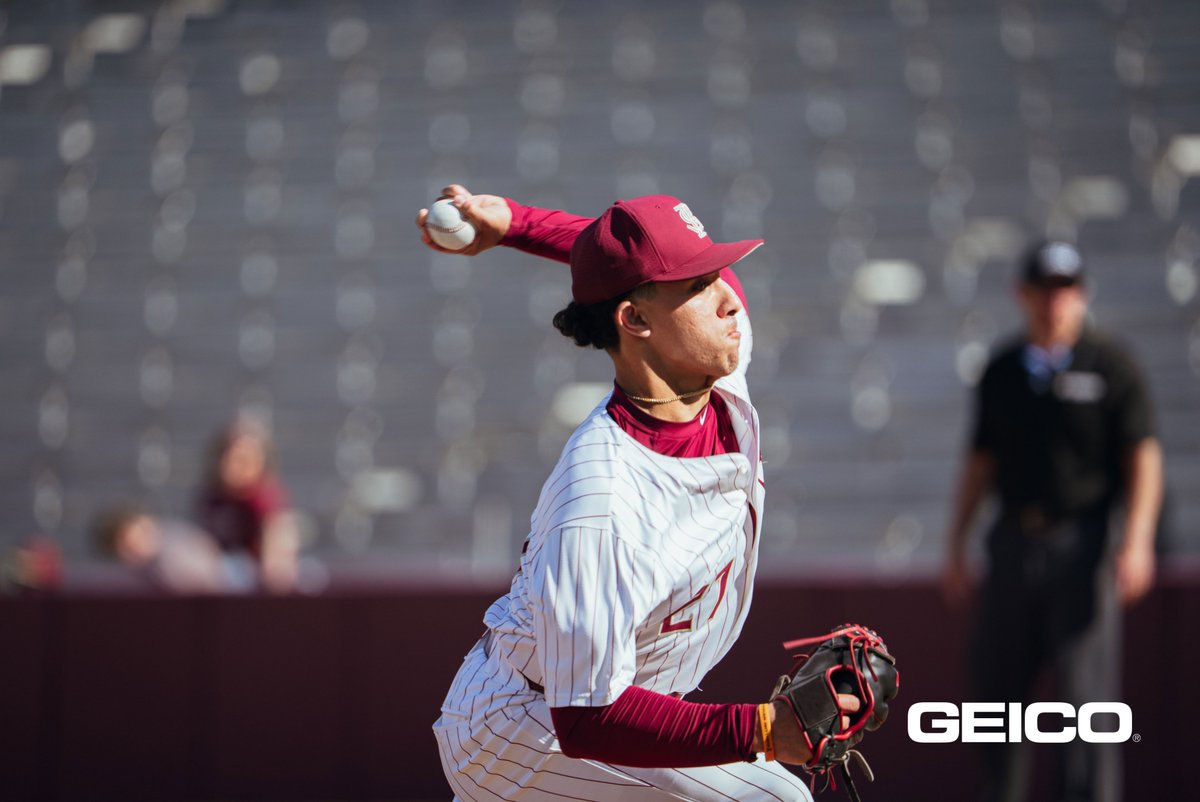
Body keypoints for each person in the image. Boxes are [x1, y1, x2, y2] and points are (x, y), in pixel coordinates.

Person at [419, 186, 869, 802]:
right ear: (634, 321)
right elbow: (587, 719)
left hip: (593, 704)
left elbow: (633, 266)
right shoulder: (601, 500)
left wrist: (517, 225)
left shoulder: (712, 365)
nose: (728, 299)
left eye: (715, 273)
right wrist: (763, 729)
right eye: (696, 285)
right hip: (525, 730)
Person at [940, 240, 1164, 802]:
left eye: (1065, 290)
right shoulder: (1003, 371)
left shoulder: (1112, 367)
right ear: (1023, 295)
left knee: (1085, 708)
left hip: (1081, 546)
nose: (1054, 303)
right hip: (1013, 544)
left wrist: (1136, 542)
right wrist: (956, 543)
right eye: (1043, 290)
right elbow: (979, 464)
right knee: (997, 703)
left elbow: (1143, 457)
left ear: (1081, 295)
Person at [195, 416, 299, 593]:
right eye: (230, 458)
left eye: (244, 460)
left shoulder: (266, 499)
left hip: (255, 585)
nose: (235, 467)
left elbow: (278, 557)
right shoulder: (212, 498)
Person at [93, 505, 237, 594]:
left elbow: (208, 572)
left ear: (145, 521)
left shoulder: (173, 538)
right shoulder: (135, 579)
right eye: (128, 547)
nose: (138, 545)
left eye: (138, 537)